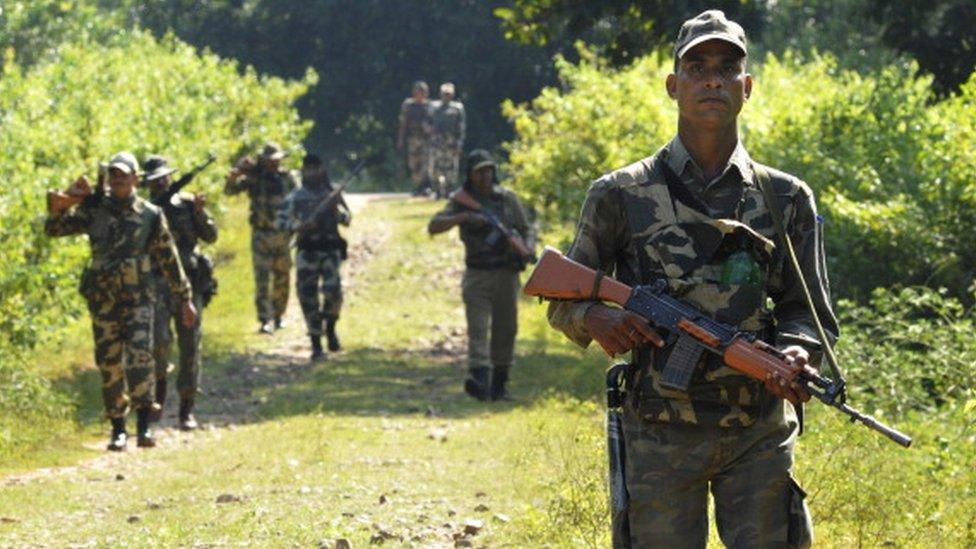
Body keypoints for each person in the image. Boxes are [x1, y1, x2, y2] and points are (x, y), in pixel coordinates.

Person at [546, 10, 837, 547]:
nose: (712, 80)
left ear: (746, 88)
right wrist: (597, 316)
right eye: (698, 67)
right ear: (673, 86)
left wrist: (798, 352)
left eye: (728, 70)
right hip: (658, 433)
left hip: (758, 431)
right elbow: (559, 298)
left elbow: (809, 311)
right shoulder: (618, 194)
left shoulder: (786, 198)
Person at [45, 152, 197, 451]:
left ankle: (143, 426)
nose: (118, 181)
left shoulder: (151, 215)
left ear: (136, 179)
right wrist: (62, 203)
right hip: (103, 301)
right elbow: (54, 230)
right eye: (113, 176)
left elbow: (169, 258)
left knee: (141, 357)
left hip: (139, 298)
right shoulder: (94, 211)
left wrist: (185, 298)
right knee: (109, 362)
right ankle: (117, 428)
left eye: (124, 176)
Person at [428, 150, 535, 401]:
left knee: (506, 330)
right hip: (477, 274)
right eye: (480, 172)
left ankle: (500, 385)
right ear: (470, 175)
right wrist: (463, 217)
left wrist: (525, 246)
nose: (485, 176)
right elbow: (434, 225)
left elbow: (525, 229)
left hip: (506, 274)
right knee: (477, 330)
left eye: (489, 170)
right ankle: (479, 381)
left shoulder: (507, 199)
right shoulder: (461, 201)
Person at [144, 155, 218, 430]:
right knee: (158, 341)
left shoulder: (186, 204)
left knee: (191, 344)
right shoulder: (146, 210)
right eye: (155, 180)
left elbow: (211, 236)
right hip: (157, 284)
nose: (161, 183)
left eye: (164, 178)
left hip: (189, 282)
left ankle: (187, 409)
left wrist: (199, 212)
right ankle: (158, 402)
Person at [276, 154, 351, 361]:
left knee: (333, 291)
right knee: (307, 296)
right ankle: (316, 342)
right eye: (307, 170)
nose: (311, 173)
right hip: (307, 252)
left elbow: (347, 219)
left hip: (330, 250)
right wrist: (299, 226)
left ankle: (331, 327)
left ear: (321, 170)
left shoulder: (332, 192)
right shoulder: (296, 197)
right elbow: (281, 222)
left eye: (315, 169)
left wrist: (336, 211)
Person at [224, 142, 297, 334]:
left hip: (282, 234)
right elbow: (230, 191)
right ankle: (264, 319)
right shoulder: (254, 179)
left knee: (282, 277)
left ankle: (279, 315)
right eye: (269, 160)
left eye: (276, 160)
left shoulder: (288, 178)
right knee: (262, 278)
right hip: (261, 233)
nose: (273, 164)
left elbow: (298, 201)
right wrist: (234, 176)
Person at [428, 82, 466, 198]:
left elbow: (461, 127)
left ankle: (449, 190)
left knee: (451, 167)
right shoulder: (434, 107)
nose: (446, 96)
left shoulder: (457, 108)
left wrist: (459, 144)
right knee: (435, 167)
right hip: (437, 141)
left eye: (449, 94)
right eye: (444, 94)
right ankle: (437, 190)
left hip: (451, 142)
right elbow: (427, 122)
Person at [397, 80, 433, 195]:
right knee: (413, 164)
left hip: (425, 139)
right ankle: (417, 186)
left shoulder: (429, 106)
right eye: (418, 91)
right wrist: (401, 139)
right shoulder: (408, 105)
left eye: (423, 92)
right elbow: (404, 123)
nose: (420, 94)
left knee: (425, 163)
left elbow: (434, 123)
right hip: (413, 138)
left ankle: (425, 187)